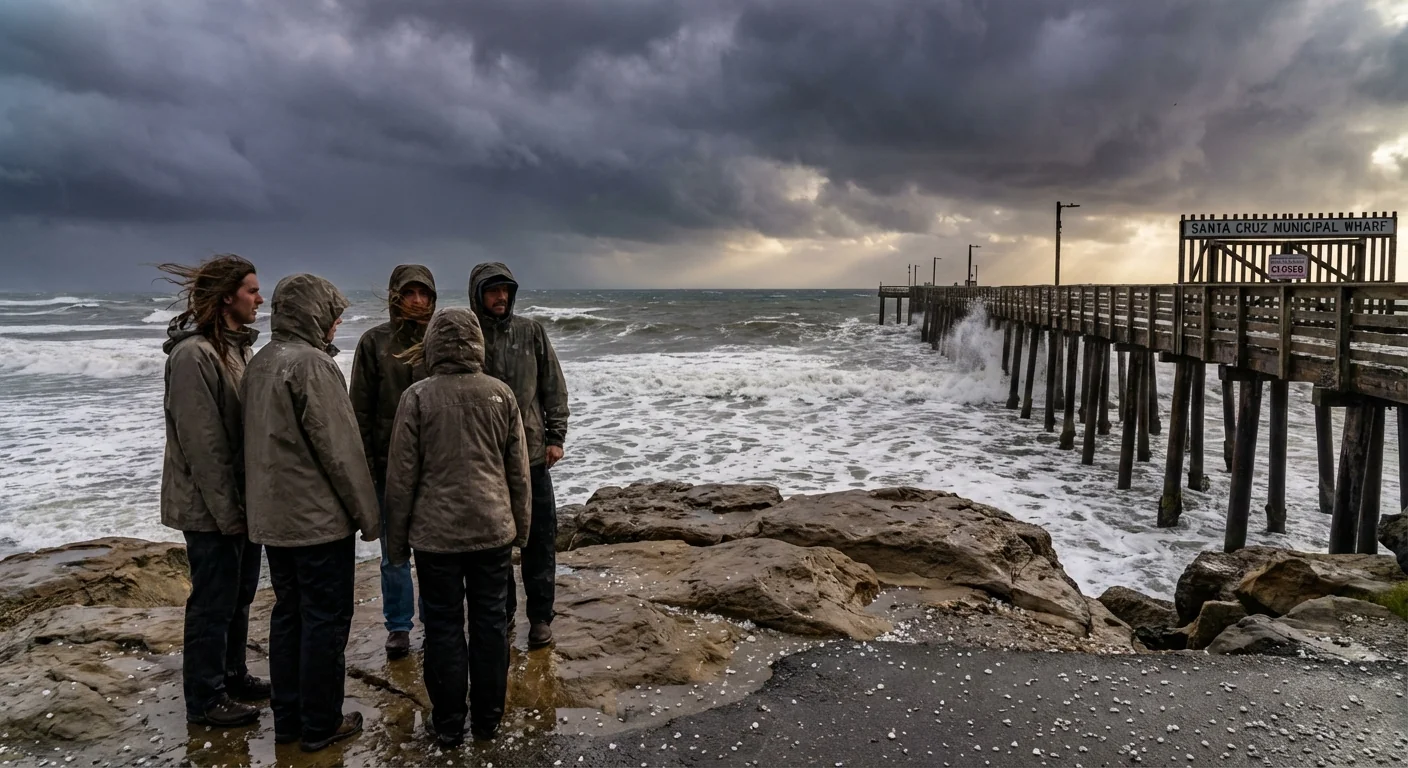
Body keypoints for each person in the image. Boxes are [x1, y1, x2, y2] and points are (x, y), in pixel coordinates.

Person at [241, 274, 380, 753]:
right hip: (317, 523)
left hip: (274, 522)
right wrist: (370, 517)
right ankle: (321, 724)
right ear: (312, 313)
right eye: (331, 314)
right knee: (325, 621)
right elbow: (340, 451)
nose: (337, 323)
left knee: (288, 617)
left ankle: (289, 720)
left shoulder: (260, 363)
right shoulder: (312, 367)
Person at [384, 308, 530, 746]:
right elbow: (518, 473)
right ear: (476, 344)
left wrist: (396, 543)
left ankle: (448, 725)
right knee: (489, 624)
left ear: (432, 346)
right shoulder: (500, 394)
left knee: (444, 627)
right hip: (492, 531)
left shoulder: (417, 397)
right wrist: (521, 530)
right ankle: (488, 721)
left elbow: (400, 479)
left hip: (436, 537)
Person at [156, 254, 269, 728]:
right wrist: (228, 513)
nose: (260, 299)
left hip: (237, 502)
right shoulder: (194, 356)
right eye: (251, 291)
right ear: (227, 297)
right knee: (212, 599)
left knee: (240, 593)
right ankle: (204, 698)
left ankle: (232, 673)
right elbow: (204, 446)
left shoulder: (234, 349)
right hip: (208, 507)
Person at [467, 263, 569, 649]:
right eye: (492, 291)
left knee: (539, 540)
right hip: (484, 461)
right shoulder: (468, 335)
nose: (501, 297)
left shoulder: (531, 332)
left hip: (532, 457)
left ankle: (541, 617)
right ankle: (503, 612)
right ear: (478, 294)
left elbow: (553, 386)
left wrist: (555, 436)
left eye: (506, 290)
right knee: (494, 544)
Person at [350, 264, 436, 659]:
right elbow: (359, 411)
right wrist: (366, 468)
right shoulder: (374, 343)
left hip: (435, 469)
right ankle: (399, 626)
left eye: (424, 293)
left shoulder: (441, 339)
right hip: (387, 468)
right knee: (394, 554)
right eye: (410, 293)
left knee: (435, 552)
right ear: (395, 297)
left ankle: (434, 620)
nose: (418, 301)